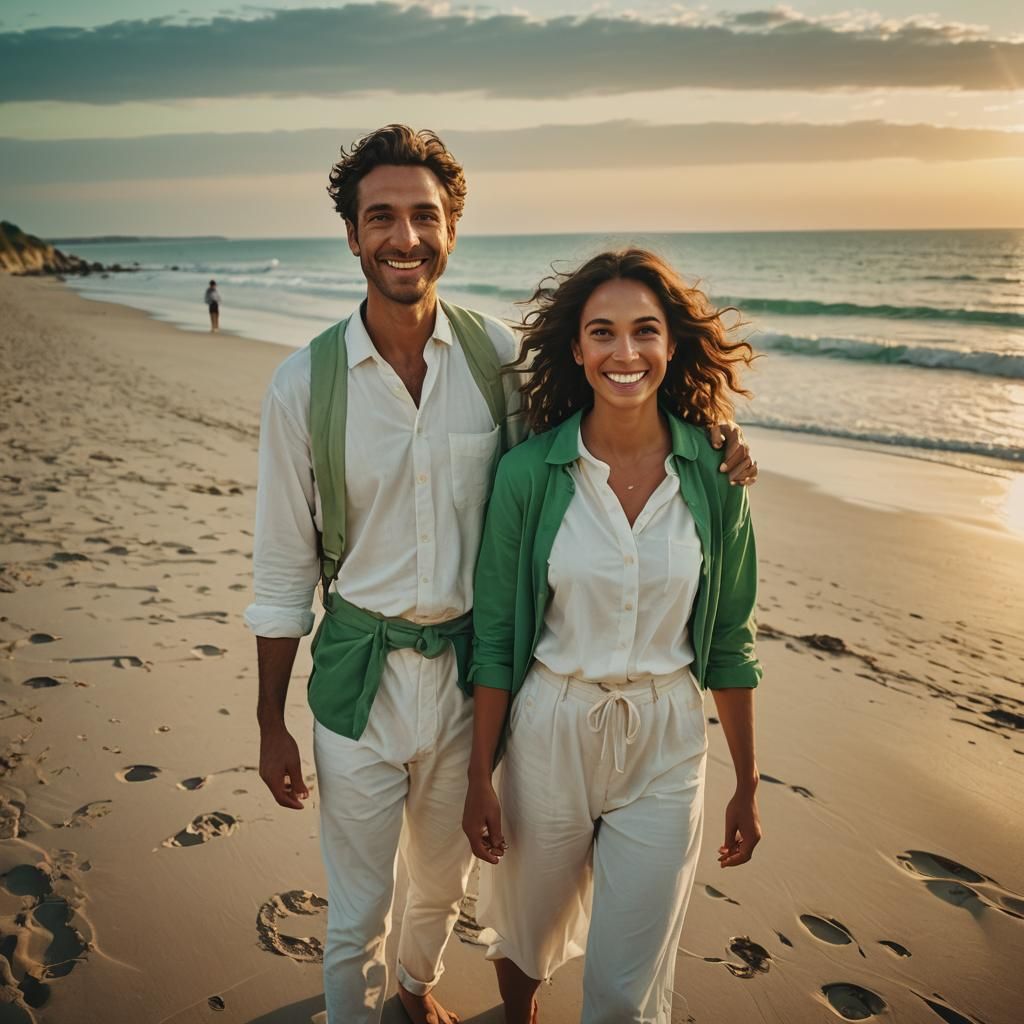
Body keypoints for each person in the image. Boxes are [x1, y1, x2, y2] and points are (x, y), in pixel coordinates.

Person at [246, 126, 758, 1024]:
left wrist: (713, 439)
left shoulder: (498, 363)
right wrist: (269, 722)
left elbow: (604, 411)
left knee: (444, 886)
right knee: (355, 907)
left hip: (471, 681)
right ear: (353, 233)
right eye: (382, 218)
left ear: (453, 228)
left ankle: (414, 988)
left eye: (423, 216)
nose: (404, 237)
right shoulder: (303, 385)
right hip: (355, 678)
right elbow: (283, 567)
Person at [463, 249, 763, 1024]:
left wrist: (748, 782)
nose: (624, 353)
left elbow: (731, 640)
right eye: (603, 333)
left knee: (624, 992)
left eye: (644, 333)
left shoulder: (715, 475)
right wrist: (478, 776)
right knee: (525, 938)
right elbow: (496, 639)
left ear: (671, 346)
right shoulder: (530, 473)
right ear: (577, 348)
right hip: (549, 730)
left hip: (667, 740)